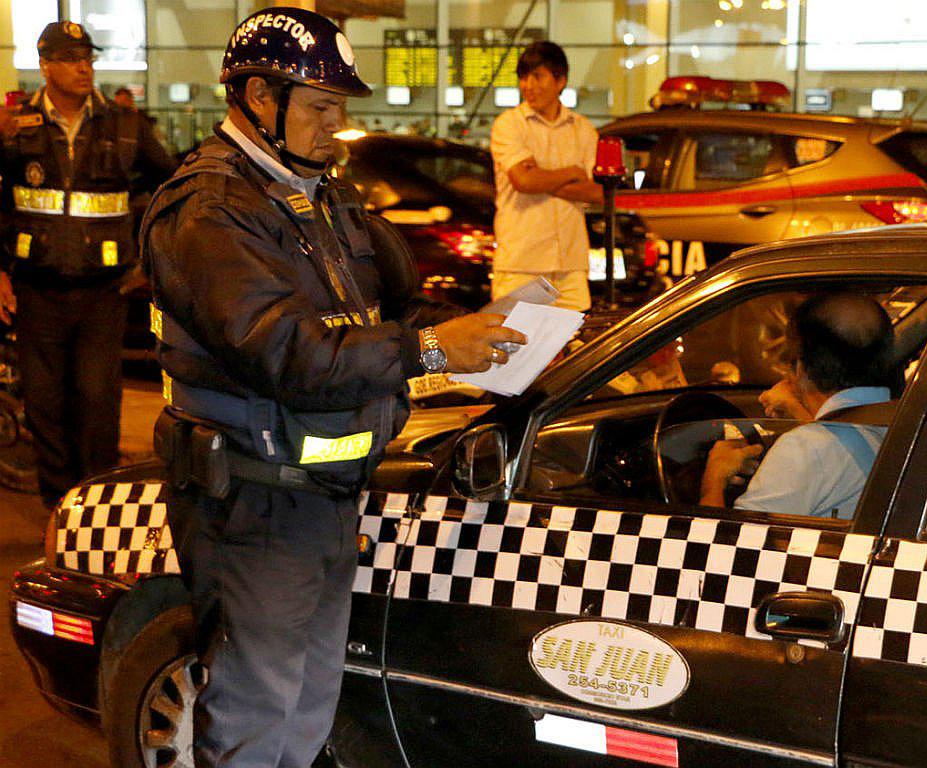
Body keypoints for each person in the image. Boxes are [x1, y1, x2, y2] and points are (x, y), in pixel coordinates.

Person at [140, 8, 527, 766]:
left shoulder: (322, 196)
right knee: (258, 708)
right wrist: (430, 350)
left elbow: (394, 304)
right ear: (258, 97)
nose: (336, 126)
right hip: (254, 501)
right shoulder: (210, 211)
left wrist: (483, 328)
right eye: (320, 106)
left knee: (310, 700)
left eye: (341, 108)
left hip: (324, 492)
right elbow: (290, 354)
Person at [0, 21, 178, 506]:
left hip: (105, 292)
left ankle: (96, 509)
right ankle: (58, 508)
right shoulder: (15, 128)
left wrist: (149, 260)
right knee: (44, 407)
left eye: (88, 57)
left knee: (97, 405)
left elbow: (175, 190)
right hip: (37, 289)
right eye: (71, 58)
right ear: (45, 65)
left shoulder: (123, 125)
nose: (84, 66)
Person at [700, 293, 893, 518]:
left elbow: (728, 547)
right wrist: (798, 409)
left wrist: (713, 480)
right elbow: (838, 448)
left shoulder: (804, 449)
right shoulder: (906, 426)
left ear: (801, 367)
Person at [489, 41, 602, 312]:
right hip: (521, 264)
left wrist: (541, 177)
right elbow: (523, 182)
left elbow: (597, 192)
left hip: (571, 265)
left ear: (560, 80)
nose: (528, 85)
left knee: (576, 349)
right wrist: (572, 174)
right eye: (523, 77)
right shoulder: (509, 125)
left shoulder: (583, 130)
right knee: (517, 349)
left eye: (537, 76)